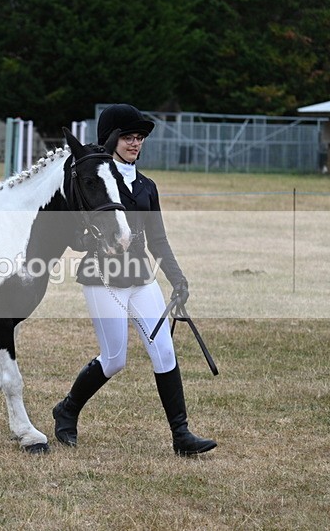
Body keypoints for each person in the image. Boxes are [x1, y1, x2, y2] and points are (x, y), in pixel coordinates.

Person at [52, 103, 216, 456]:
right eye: (128, 136)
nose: (135, 143)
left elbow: (158, 238)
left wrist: (178, 278)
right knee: (114, 359)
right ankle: (67, 409)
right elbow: (73, 236)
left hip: (142, 278)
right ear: (111, 139)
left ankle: (181, 436)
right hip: (103, 280)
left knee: (164, 351)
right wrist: (94, 240)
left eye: (139, 137)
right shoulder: (93, 180)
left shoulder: (146, 186)